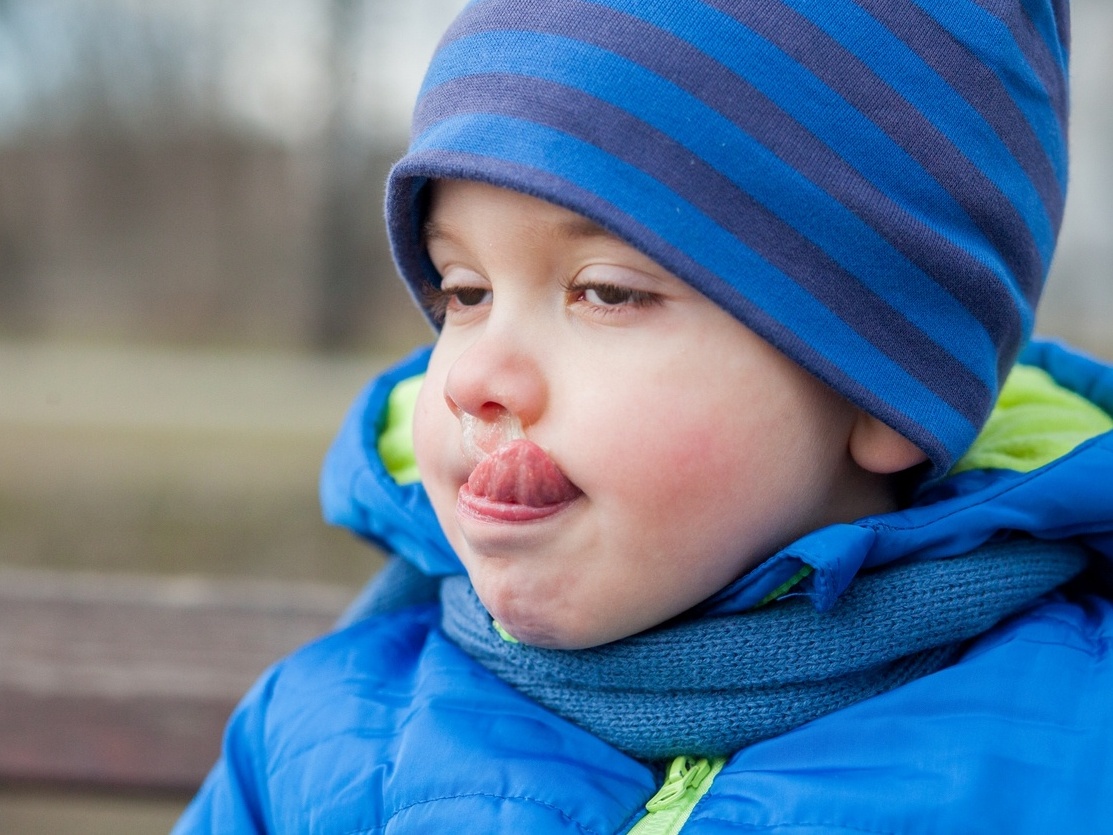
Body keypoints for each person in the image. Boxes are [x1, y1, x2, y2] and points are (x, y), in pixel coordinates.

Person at [174, 1, 1113, 831]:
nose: (471, 377)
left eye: (606, 293)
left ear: (883, 387)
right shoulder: (326, 731)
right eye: (464, 291)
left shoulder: (1070, 754)